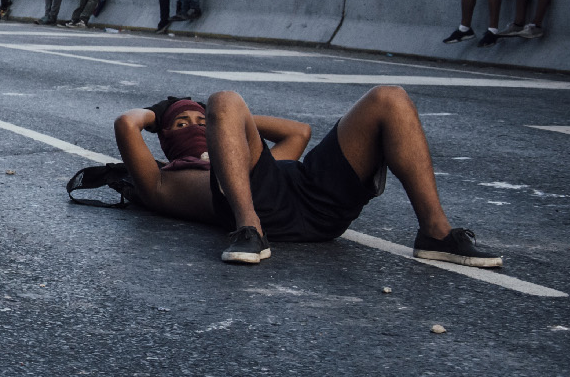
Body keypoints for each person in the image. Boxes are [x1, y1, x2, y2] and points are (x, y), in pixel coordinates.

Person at [113, 88, 501, 268]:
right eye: (182, 123)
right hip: (256, 208)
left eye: (202, 122)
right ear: (165, 139)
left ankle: (434, 232)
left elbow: (297, 133)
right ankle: (248, 230)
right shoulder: (161, 182)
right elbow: (126, 124)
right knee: (225, 98)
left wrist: (224, 122)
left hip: (314, 196)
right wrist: (161, 111)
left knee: (389, 98)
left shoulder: (243, 157)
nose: (195, 126)